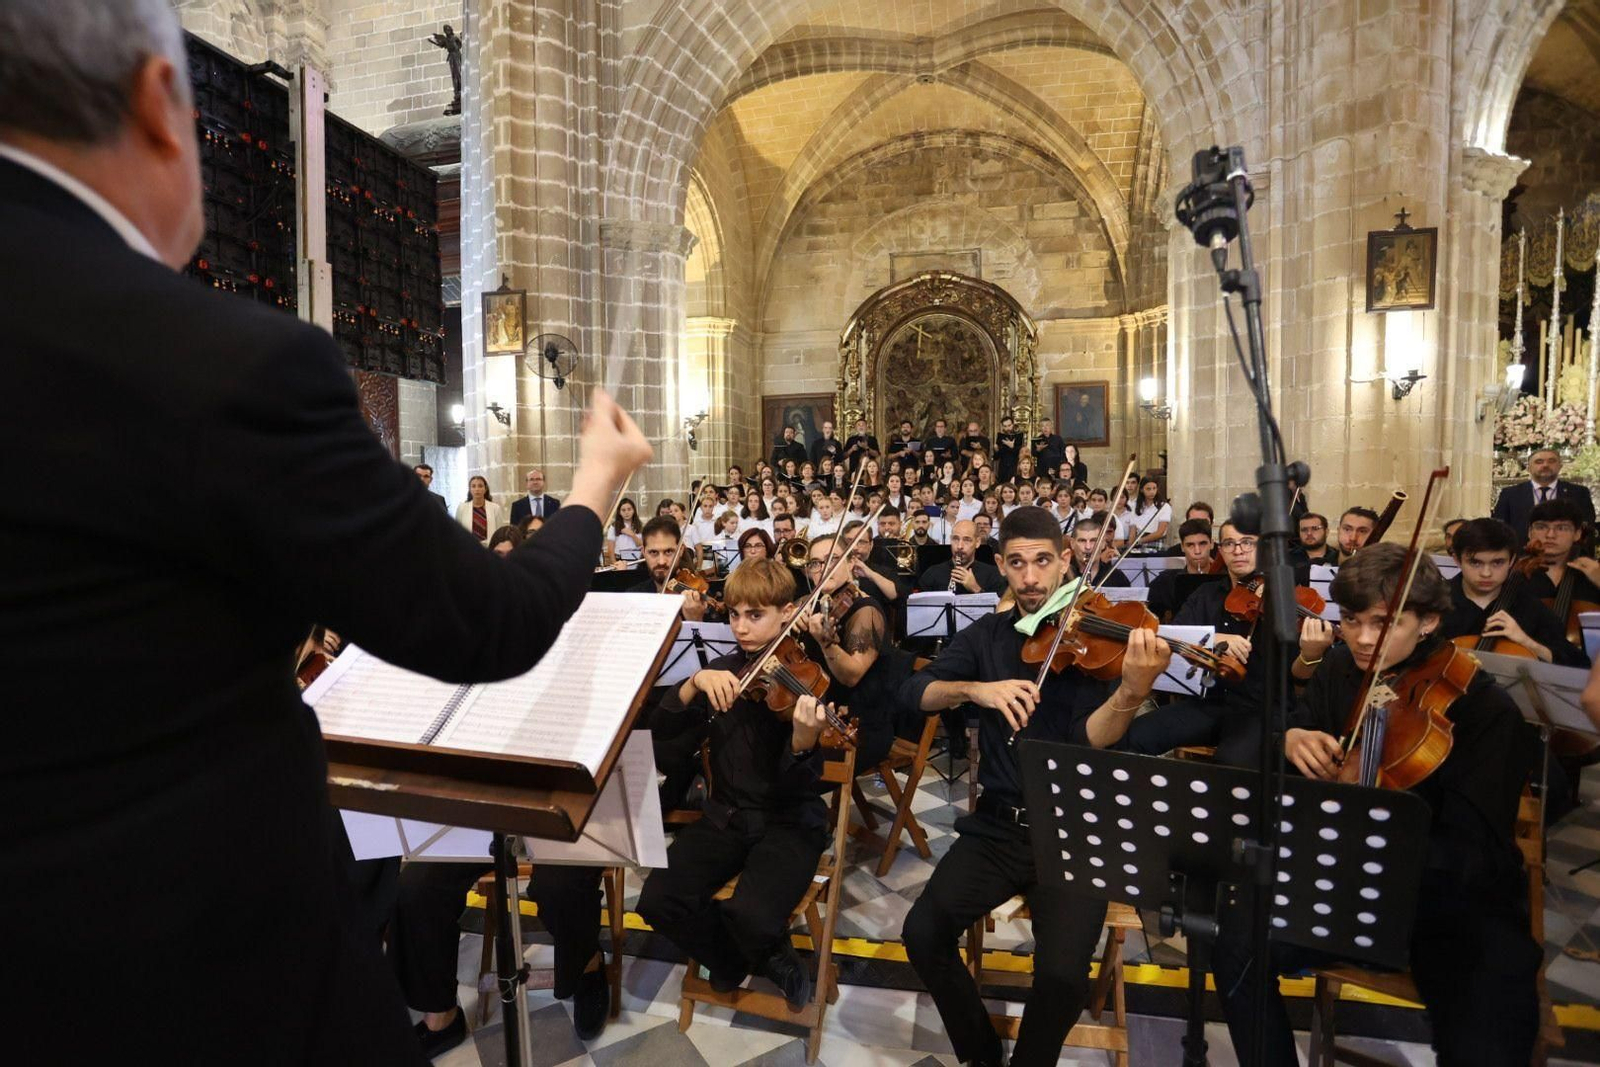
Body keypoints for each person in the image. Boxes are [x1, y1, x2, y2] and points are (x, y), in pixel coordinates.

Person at [0, 11, 655, 1064]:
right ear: (158, 107)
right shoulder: (218, 363)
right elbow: (492, 621)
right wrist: (589, 494)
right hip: (198, 967)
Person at [1209, 544, 1542, 1066]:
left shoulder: (1483, 708)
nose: (1363, 639)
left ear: (1429, 620)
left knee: (1490, 1030)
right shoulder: (1341, 670)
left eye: (1385, 623)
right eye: (1350, 620)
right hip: (1346, 888)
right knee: (1235, 939)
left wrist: (1386, 836)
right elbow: (1260, 748)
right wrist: (1288, 737)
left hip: (1450, 905)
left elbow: (1474, 851)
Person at [898, 507, 1173, 1067]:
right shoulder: (989, 636)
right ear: (1000, 564)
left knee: (1063, 973)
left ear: (1065, 561)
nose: (1029, 579)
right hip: (1000, 825)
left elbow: (1085, 739)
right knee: (922, 932)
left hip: (1078, 829)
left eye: (1042, 562)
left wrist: (1130, 693)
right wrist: (975, 690)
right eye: (1017, 563)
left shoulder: (1095, 636)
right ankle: (980, 1054)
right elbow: (914, 692)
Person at [636, 561, 837, 1010]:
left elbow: (806, 782)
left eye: (755, 615)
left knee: (749, 912)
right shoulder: (722, 672)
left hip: (788, 822)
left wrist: (804, 742)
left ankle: (761, 948)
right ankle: (749, 956)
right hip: (725, 816)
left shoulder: (804, 675)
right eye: (734, 615)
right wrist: (691, 683)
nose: (741, 628)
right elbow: (665, 745)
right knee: (657, 900)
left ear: (787, 612)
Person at [1126, 517, 1335, 765]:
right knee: (1135, 735)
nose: (1238, 550)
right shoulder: (1204, 595)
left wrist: (1311, 654)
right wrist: (1215, 639)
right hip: (1207, 704)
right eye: (1229, 543)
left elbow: (1298, 677)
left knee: (1232, 761)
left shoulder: (1285, 601)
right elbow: (1171, 635)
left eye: (1247, 542)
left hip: (1262, 711)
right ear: (1220, 550)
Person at [1439, 518, 1585, 666]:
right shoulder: (1435, 602)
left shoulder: (1528, 606)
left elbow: (1579, 665)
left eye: (1497, 562)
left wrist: (1527, 642)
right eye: (1475, 563)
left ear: (1511, 560)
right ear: (1457, 560)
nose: (1486, 573)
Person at [1492, 446, 1597, 541]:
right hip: (1522, 556)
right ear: (1528, 468)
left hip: (1566, 555)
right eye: (1539, 462)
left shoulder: (1578, 493)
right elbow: (1500, 528)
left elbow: (1586, 527)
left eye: (1551, 461)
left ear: (1560, 466)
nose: (1545, 465)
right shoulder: (1510, 494)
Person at [629, 516, 710, 621]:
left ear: (680, 550)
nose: (661, 561)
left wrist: (696, 620)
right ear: (643, 552)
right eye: (653, 552)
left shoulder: (700, 596)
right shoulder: (633, 596)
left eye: (668, 552)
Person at [1526, 499, 1600, 611]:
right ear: (1530, 532)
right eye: (1541, 527)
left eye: (1561, 528)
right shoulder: (1514, 573)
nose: (1550, 535)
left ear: (1577, 534)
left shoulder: (1595, 571)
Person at [1147, 517, 1223, 621]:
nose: (1197, 551)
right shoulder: (1166, 580)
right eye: (1190, 545)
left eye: (1202, 544)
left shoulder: (1225, 579)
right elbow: (1149, 613)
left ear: (1212, 544)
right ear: (1182, 547)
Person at [919, 519, 1006, 596]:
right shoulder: (932, 573)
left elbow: (1001, 611)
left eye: (967, 540)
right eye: (956, 539)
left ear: (977, 542)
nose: (960, 546)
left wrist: (976, 589)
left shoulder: (994, 575)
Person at [1066, 513, 1131, 588]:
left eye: (1094, 540)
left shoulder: (1117, 578)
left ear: (1103, 543)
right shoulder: (1060, 576)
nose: (1088, 547)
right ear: (1072, 543)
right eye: (1082, 541)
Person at [455, 475, 506, 544]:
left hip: (489, 548)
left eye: (480, 486)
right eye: (473, 486)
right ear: (470, 489)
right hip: (468, 547)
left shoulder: (495, 508)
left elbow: (500, 532)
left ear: (485, 489)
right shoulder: (462, 508)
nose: (477, 489)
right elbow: (457, 531)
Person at [1125, 476, 1171, 552]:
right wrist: (1130, 545)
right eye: (1148, 489)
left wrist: (1139, 541)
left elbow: (1160, 532)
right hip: (1138, 544)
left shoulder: (1164, 506)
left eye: (1154, 488)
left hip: (1156, 543)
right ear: (1142, 490)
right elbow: (1133, 529)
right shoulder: (1135, 506)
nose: (1152, 492)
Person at [605, 496, 643, 565]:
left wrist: (632, 535)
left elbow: (640, 545)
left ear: (633, 510)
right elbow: (610, 549)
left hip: (636, 559)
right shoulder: (614, 526)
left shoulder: (639, 524)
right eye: (623, 510)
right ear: (619, 512)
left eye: (629, 509)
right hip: (620, 559)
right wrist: (615, 564)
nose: (626, 512)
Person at [993, 414, 1024, 483]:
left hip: (1014, 466)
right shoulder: (1000, 436)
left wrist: (1012, 447)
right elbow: (996, 458)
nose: (1008, 428)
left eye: (1009, 425)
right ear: (1002, 427)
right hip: (1003, 467)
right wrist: (996, 450)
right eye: (1005, 426)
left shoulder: (1019, 436)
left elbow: (1020, 453)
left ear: (1013, 425)